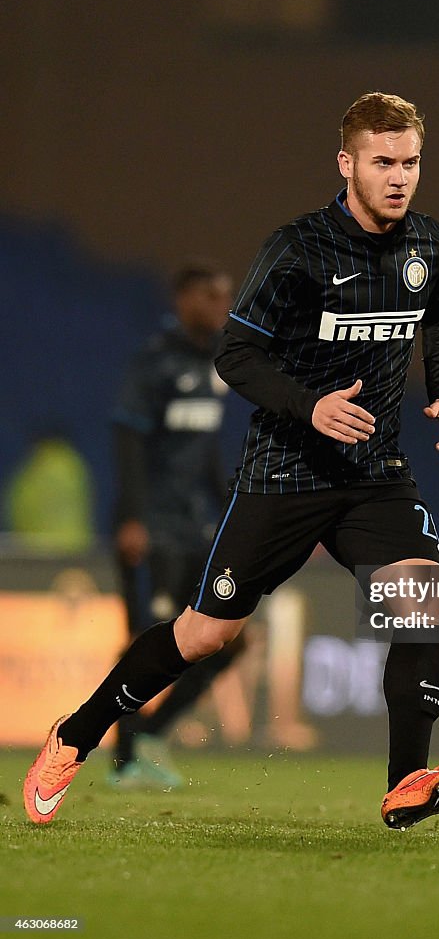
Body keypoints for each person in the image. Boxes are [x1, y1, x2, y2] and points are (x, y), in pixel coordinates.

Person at [24, 91, 439, 830]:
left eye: (411, 162)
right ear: (346, 163)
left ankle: (405, 784)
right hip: (284, 474)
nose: (399, 177)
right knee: (206, 634)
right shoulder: (297, 249)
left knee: (422, 604)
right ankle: (75, 734)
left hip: (373, 475)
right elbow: (235, 355)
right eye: (383, 162)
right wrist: (311, 406)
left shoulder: (430, 245)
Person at [108, 264, 246, 788]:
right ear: (184, 298)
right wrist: (132, 518)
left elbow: (206, 448)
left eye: (225, 296)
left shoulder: (216, 365)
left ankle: (148, 734)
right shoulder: (155, 362)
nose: (220, 306)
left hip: (196, 528)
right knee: (144, 640)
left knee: (232, 638)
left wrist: (234, 513)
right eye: (211, 296)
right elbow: (129, 441)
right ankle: (125, 760)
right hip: (152, 527)